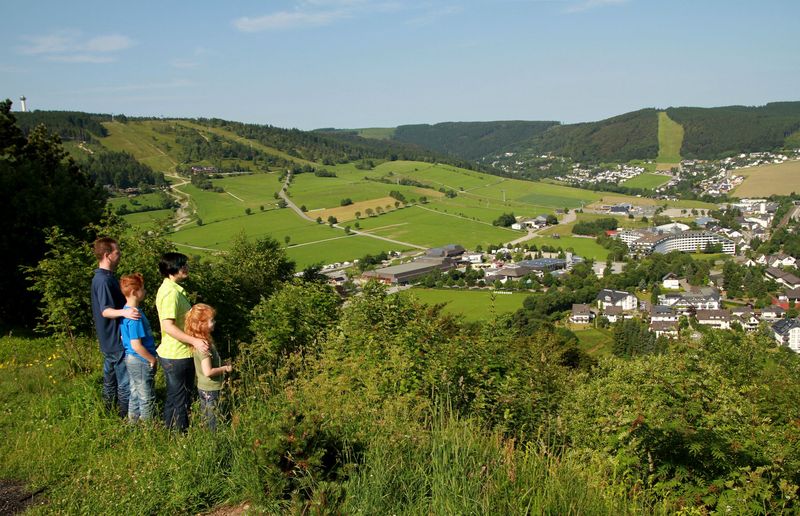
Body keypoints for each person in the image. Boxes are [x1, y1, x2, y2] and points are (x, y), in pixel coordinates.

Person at [155, 252, 208, 432]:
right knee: (181, 399)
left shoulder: (172, 289)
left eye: (185, 264)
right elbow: (168, 326)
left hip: (175, 353)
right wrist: (195, 341)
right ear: (171, 269)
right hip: (177, 355)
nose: (185, 267)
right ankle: (180, 437)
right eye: (181, 265)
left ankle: (169, 433)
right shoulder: (171, 293)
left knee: (174, 396)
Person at [90, 237, 140, 418]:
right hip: (115, 338)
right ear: (107, 255)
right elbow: (105, 311)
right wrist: (125, 313)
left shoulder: (105, 277)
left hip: (108, 338)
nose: (120, 255)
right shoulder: (103, 281)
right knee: (124, 382)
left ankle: (107, 413)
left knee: (110, 380)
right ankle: (124, 417)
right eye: (117, 252)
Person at [185, 303, 232, 430]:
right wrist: (225, 368)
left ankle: (206, 436)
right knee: (213, 419)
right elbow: (208, 371)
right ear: (202, 324)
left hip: (203, 387)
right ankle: (214, 440)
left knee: (205, 415)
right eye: (211, 320)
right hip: (211, 388)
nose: (214, 322)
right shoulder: (204, 346)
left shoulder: (198, 341)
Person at [119, 273, 157, 423]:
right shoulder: (134, 316)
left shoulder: (126, 310)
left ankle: (133, 423)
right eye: (143, 288)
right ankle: (148, 429)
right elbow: (136, 345)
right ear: (135, 292)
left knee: (135, 392)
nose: (145, 291)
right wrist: (151, 359)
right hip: (140, 359)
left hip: (131, 358)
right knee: (146, 396)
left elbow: (123, 338)